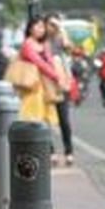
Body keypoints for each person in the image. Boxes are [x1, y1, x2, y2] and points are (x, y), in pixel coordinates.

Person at [16, 16, 63, 154]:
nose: (40, 29)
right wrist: (55, 75)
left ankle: (44, 150)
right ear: (30, 28)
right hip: (31, 86)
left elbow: (48, 61)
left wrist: (55, 74)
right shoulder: (27, 44)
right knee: (31, 117)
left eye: (42, 27)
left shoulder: (45, 44)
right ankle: (31, 150)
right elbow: (38, 63)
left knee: (44, 119)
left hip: (45, 87)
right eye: (36, 26)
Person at [45, 14, 77, 165]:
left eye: (54, 24)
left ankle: (69, 151)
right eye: (49, 24)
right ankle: (51, 151)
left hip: (60, 84)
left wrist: (61, 29)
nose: (51, 27)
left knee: (64, 119)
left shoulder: (60, 39)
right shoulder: (42, 42)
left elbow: (70, 47)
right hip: (45, 84)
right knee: (46, 120)